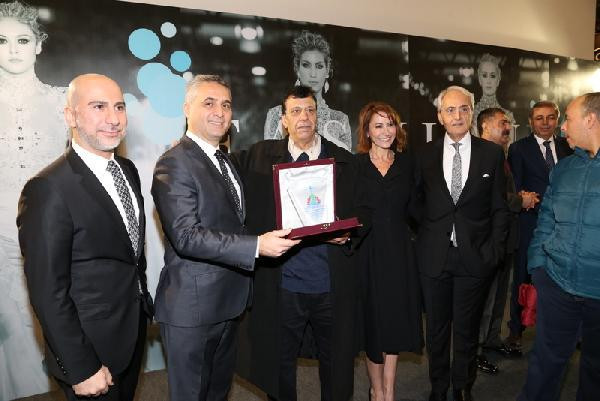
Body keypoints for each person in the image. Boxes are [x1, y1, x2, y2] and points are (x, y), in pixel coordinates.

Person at [151, 75, 299, 401]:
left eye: (226, 105)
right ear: (187, 109)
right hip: (192, 311)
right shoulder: (174, 163)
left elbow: (233, 223)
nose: (220, 112)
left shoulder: (225, 160)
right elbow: (187, 236)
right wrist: (257, 245)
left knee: (218, 392)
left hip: (229, 304)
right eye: (209, 103)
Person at [17, 73, 153, 400]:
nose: (113, 119)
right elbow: (47, 291)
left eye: (119, 107)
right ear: (71, 116)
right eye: (98, 107)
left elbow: (129, 254)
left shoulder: (127, 170)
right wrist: (80, 367)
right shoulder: (48, 189)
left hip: (132, 331)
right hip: (89, 349)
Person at [233, 85, 358, 401]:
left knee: (336, 365)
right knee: (280, 367)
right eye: (296, 111)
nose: (304, 117)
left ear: (318, 116)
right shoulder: (258, 157)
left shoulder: (343, 160)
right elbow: (220, 169)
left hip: (330, 285)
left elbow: (363, 210)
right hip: (283, 285)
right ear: (284, 120)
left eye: (310, 110)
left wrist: (349, 233)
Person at [414, 86, 508, 401]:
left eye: (464, 109)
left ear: (471, 112)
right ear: (440, 116)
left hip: (476, 258)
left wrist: (494, 251)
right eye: (450, 110)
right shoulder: (423, 155)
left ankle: (462, 387)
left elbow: (499, 208)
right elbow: (415, 203)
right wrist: (432, 230)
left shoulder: (491, 154)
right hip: (434, 257)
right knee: (436, 331)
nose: (457, 116)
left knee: (467, 330)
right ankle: (439, 388)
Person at [0, 2, 68, 398]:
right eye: (2, 40)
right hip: (0, 238)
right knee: (13, 332)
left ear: (38, 45)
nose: (12, 49)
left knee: (55, 325)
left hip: (52, 233)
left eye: (23, 40)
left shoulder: (63, 102)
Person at [518, 92, 600, 401]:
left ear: (590, 120)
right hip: (557, 285)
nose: (562, 127)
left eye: (567, 118)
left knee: (595, 372)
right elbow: (545, 223)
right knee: (543, 367)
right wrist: (538, 268)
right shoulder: (564, 169)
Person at [354, 102, 423, 401]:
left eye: (390, 124)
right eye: (378, 125)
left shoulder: (408, 165)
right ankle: (377, 390)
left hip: (399, 252)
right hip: (367, 254)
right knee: (374, 325)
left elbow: (419, 208)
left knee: (394, 321)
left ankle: (389, 390)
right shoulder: (355, 166)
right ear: (367, 131)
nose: (386, 131)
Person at [475, 108, 539, 375]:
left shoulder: (500, 154)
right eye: (502, 123)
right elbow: (489, 197)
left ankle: (491, 340)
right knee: (484, 299)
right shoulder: (479, 154)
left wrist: (518, 195)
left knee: (500, 296)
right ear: (485, 126)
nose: (508, 127)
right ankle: (476, 351)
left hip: (505, 239)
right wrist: (520, 200)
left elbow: (503, 191)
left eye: (508, 123)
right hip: (488, 240)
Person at [506, 101, 572, 352]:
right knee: (523, 276)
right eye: (539, 118)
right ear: (530, 122)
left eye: (550, 117)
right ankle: (516, 330)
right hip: (530, 222)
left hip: (564, 225)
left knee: (563, 278)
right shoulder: (518, 148)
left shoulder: (569, 146)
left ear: (557, 120)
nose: (545, 123)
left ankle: (567, 330)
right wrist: (530, 200)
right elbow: (517, 187)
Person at [264, 30, 352, 151]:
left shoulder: (340, 119)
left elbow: (345, 162)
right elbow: (269, 159)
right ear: (297, 70)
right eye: (306, 65)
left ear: (327, 71)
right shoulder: (276, 115)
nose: (313, 74)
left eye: (319, 66)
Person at [472, 53, 515, 137]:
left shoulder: (508, 116)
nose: (488, 81)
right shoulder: (471, 115)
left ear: (498, 79)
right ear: (480, 79)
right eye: (484, 75)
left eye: (492, 76)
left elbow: (510, 143)